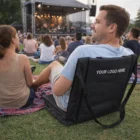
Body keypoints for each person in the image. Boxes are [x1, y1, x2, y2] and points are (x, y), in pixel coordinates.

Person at [32, 5, 133, 111]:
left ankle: (33, 85)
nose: (92, 26)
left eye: (97, 22)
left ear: (112, 27)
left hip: (74, 105)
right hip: (106, 103)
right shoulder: (129, 54)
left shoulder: (84, 51)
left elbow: (58, 91)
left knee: (54, 64)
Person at [0, 25, 35, 109]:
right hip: (22, 101)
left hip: (1, 103)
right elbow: (30, 83)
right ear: (13, 40)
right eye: (17, 36)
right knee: (32, 90)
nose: (19, 38)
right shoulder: (23, 58)